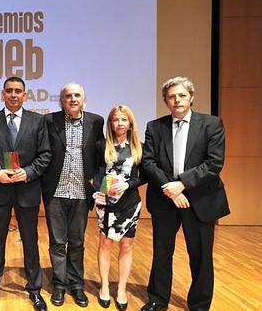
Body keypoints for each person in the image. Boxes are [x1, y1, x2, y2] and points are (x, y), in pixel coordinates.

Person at [140, 76, 230, 311]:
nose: (176, 100)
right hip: (164, 199)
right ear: (165, 101)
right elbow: (148, 163)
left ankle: (199, 305)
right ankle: (157, 300)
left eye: (181, 95)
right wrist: (171, 190)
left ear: (191, 97)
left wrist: (181, 185)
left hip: (200, 200)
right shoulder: (154, 126)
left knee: (200, 256)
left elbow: (214, 163)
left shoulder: (212, 124)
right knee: (162, 253)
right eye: (171, 96)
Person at [0, 76, 52, 311]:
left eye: (18, 91)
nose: (13, 95)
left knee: (30, 242)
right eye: (9, 90)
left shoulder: (38, 121)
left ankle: (34, 289)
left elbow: (45, 154)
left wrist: (28, 172)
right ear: (3, 94)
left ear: (25, 95)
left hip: (27, 190)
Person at [41, 83, 104, 307]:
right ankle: (59, 283)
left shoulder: (96, 121)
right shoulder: (49, 121)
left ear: (84, 98)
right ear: (61, 100)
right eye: (68, 96)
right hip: (55, 191)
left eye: (77, 95)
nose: (73, 99)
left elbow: (100, 157)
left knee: (76, 242)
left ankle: (76, 284)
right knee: (57, 242)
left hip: (81, 192)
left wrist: (97, 185)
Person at [92, 105, 145, 310]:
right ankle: (104, 286)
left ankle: (121, 288)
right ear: (110, 123)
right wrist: (98, 191)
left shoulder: (139, 147)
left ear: (130, 123)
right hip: (106, 202)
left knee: (126, 245)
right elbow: (96, 173)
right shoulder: (101, 146)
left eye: (124, 119)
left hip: (130, 202)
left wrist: (128, 184)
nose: (120, 123)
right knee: (105, 243)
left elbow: (144, 176)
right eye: (116, 119)